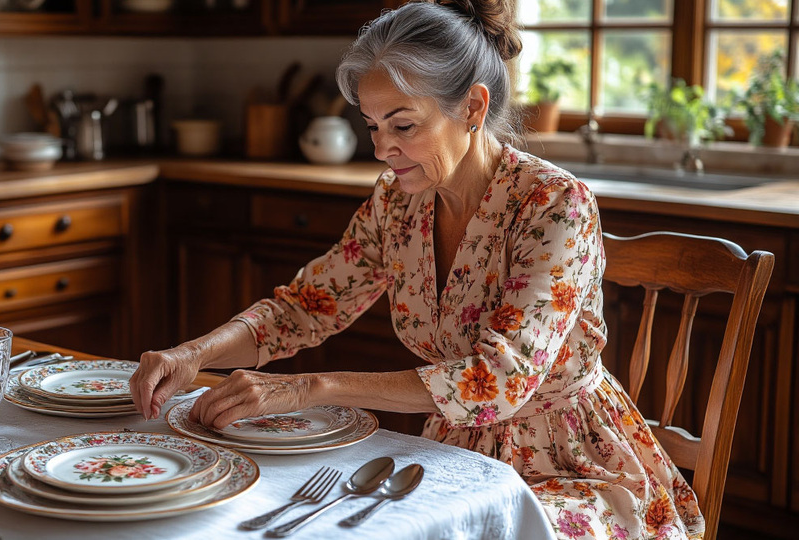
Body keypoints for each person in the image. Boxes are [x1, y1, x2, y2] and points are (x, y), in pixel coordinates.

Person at [129, 1, 703, 537]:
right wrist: (193, 355)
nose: (382, 149)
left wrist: (309, 387)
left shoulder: (554, 204)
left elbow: (499, 380)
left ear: (472, 108)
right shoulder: (397, 201)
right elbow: (305, 308)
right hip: (453, 453)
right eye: (372, 125)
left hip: (576, 468)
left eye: (403, 126)